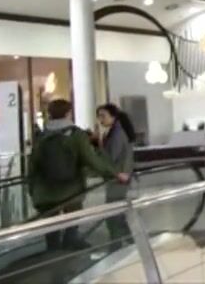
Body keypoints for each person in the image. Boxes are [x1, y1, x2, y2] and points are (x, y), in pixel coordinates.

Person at [29, 99, 128, 251]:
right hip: (71, 189)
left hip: (45, 190)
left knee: (50, 225)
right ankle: (71, 244)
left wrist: (32, 189)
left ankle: (53, 252)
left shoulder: (41, 135)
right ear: (68, 113)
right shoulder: (76, 134)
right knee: (73, 217)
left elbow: (32, 165)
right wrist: (115, 173)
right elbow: (92, 160)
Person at [96, 104, 135, 253]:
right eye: (99, 116)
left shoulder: (117, 134)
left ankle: (116, 246)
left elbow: (110, 157)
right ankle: (131, 242)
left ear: (113, 116)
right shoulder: (115, 131)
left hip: (118, 177)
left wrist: (99, 144)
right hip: (119, 177)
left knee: (113, 214)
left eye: (103, 116)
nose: (101, 120)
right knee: (118, 213)